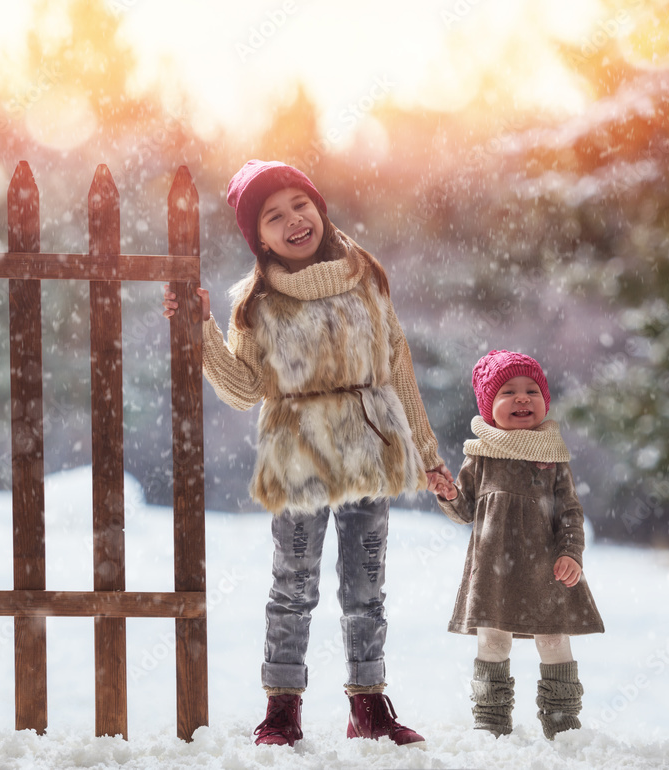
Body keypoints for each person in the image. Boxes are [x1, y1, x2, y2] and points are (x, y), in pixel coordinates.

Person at [162, 160, 453, 748]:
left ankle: (369, 706)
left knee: (366, 584)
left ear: (319, 208)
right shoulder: (257, 302)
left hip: (371, 448)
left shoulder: (365, 276)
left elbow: (397, 365)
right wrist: (202, 330)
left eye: (301, 204)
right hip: (298, 458)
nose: (295, 220)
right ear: (259, 237)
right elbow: (245, 390)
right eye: (274, 216)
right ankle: (282, 710)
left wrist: (428, 454)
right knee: (292, 586)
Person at [430, 350, 605, 740]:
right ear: (489, 407)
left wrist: (570, 553)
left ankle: (562, 723)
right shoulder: (481, 457)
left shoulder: (554, 458)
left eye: (532, 391)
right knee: (492, 639)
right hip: (494, 570)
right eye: (508, 392)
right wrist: (447, 493)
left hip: (546, 569)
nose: (523, 398)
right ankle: (490, 722)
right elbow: (464, 510)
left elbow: (570, 513)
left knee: (553, 637)